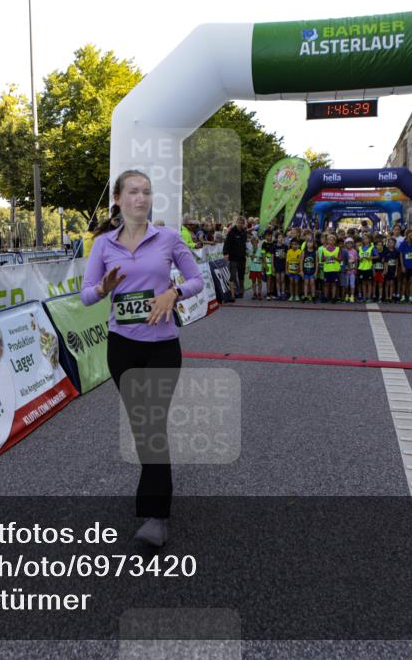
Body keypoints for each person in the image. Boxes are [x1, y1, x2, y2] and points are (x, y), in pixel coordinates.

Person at [80, 170, 203, 547]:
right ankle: (156, 494)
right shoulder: (103, 245)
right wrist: (104, 287)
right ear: (117, 199)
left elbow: (196, 279)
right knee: (143, 426)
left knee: (152, 423)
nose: (141, 198)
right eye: (133, 192)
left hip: (162, 345)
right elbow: (86, 295)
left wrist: (173, 294)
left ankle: (155, 515)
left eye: (146, 192)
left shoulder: (168, 238)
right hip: (123, 346)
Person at [223, 216, 248, 300]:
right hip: (233, 257)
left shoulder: (244, 232)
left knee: (241, 276)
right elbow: (227, 243)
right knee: (233, 276)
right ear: (236, 223)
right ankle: (232, 295)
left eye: (242, 223)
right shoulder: (232, 232)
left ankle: (241, 292)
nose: (240, 224)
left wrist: (245, 253)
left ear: (243, 224)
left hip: (242, 257)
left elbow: (244, 245)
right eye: (239, 223)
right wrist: (225, 253)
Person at [398, 229, 412, 302]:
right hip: (405, 266)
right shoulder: (403, 244)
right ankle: (403, 296)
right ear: (409, 235)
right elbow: (401, 256)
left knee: (411, 281)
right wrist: (402, 266)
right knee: (404, 281)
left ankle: (410, 296)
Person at [319, 233, 341, 303]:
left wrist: (335, 258)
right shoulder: (324, 249)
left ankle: (333, 298)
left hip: (335, 269)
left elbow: (340, 259)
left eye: (332, 240)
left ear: (334, 241)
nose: (330, 241)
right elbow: (322, 259)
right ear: (327, 241)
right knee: (326, 284)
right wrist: (325, 258)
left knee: (334, 284)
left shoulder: (337, 249)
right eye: (329, 240)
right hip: (327, 269)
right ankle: (326, 297)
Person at [357, 233, 375, 302]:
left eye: (366, 238)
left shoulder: (371, 247)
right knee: (363, 283)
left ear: (370, 239)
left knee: (369, 283)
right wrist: (360, 259)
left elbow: (377, 256)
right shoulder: (360, 248)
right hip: (362, 268)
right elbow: (358, 257)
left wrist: (370, 257)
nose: (365, 240)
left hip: (369, 267)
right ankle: (364, 297)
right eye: (364, 238)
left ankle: (369, 297)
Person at [285, 237, 303, 302]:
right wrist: (286, 270)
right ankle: (292, 295)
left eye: (295, 244)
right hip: (290, 271)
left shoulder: (300, 252)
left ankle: (297, 295)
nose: (294, 246)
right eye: (292, 244)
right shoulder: (289, 251)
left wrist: (299, 269)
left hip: (297, 271)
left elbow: (301, 262)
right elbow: (287, 262)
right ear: (291, 245)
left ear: (298, 245)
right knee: (291, 282)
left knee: (296, 282)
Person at [301, 232, 317, 302]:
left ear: (313, 243)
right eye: (308, 242)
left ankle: (313, 296)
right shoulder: (304, 252)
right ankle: (305, 296)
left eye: (311, 242)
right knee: (306, 283)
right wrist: (301, 271)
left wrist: (316, 272)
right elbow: (301, 262)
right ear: (306, 243)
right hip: (305, 270)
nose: (309, 244)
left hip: (312, 270)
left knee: (312, 283)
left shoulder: (315, 252)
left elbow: (316, 262)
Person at [247, 236, 265, 300]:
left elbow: (263, 258)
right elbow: (251, 258)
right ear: (251, 243)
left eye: (255, 241)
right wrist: (253, 253)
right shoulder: (250, 250)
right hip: (253, 268)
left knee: (259, 281)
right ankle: (254, 293)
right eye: (252, 242)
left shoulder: (261, 250)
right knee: (253, 282)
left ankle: (259, 293)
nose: (254, 243)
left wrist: (263, 266)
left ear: (257, 242)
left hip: (259, 268)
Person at [382, 238, 399, 302]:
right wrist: (385, 270)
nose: (391, 244)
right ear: (388, 243)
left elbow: (397, 262)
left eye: (392, 243)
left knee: (392, 283)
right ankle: (386, 297)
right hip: (387, 269)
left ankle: (391, 297)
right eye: (390, 242)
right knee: (387, 284)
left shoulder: (396, 251)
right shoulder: (386, 251)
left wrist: (396, 271)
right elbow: (385, 262)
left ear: (394, 244)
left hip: (393, 269)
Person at [342, 237, 358, 303]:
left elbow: (356, 260)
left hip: (352, 270)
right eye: (347, 243)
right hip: (346, 270)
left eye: (350, 243)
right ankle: (346, 295)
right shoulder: (344, 251)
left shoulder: (354, 251)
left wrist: (356, 269)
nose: (349, 245)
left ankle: (352, 296)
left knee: (352, 284)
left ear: (352, 244)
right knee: (346, 284)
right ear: (345, 244)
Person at [272, 232, 287, 300]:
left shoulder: (285, 246)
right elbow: (272, 257)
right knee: (278, 280)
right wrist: (272, 266)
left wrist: (284, 256)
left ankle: (283, 293)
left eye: (282, 237)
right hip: (277, 265)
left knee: (283, 280)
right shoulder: (274, 247)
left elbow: (287, 257)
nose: (281, 239)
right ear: (277, 238)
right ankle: (278, 293)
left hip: (283, 265)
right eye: (279, 237)